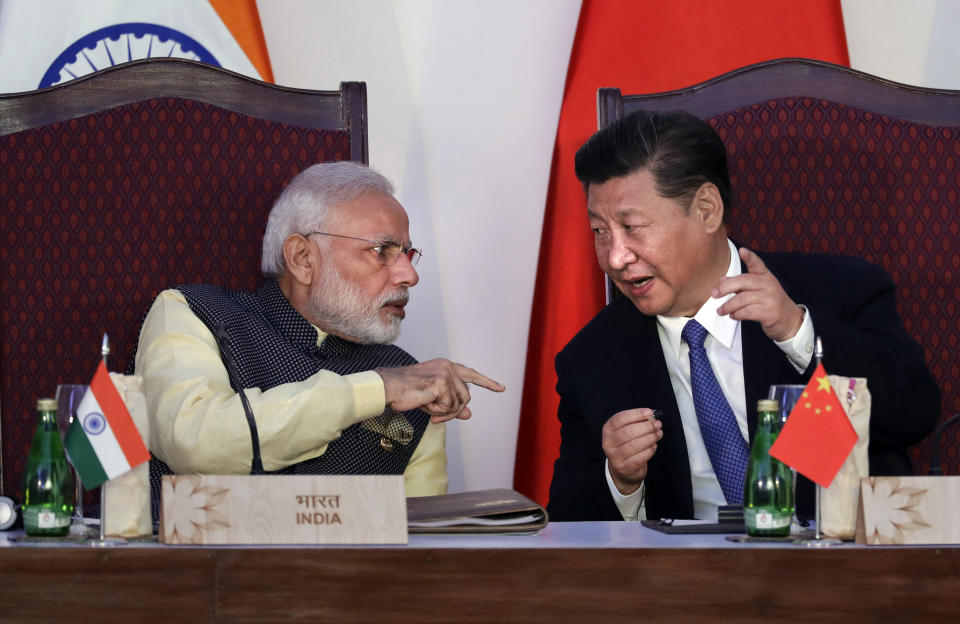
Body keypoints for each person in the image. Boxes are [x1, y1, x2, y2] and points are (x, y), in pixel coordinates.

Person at [547, 110, 940, 522]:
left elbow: (914, 415)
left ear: (706, 210)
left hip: (834, 571)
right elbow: (566, 527)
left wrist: (798, 332)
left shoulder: (838, 291)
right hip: (683, 581)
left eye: (632, 227)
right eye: (599, 231)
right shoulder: (591, 358)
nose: (615, 257)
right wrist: (620, 479)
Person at [136, 161, 504, 505]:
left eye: (407, 253)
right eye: (383, 251)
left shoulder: (410, 379)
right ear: (302, 259)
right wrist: (377, 389)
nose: (410, 275)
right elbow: (196, 444)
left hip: (356, 575)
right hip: (199, 570)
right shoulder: (193, 311)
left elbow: (422, 542)